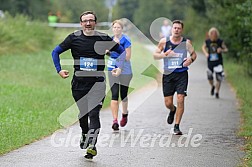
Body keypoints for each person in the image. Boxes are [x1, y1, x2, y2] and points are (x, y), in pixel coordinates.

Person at [51, 11, 125, 159]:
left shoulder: (103, 38)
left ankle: (92, 145)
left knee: (94, 114)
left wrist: (119, 66)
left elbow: (121, 51)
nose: (88, 23)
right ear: (81, 23)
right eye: (85, 21)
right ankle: (85, 133)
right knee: (83, 115)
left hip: (97, 83)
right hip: (78, 84)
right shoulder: (73, 38)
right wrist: (59, 70)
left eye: (91, 20)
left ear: (95, 22)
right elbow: (55, 52)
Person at [153, 20, 197, 135]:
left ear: (181, 30)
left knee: (180, 98)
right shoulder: (164, 42)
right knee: (168, 103)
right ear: (171, 29)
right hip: (168, 75)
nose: (176, 30)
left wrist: (190, 60)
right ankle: (173, 110)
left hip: (182, 74)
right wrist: (165, 54)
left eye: (179, 28)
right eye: (175, 28)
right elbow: (155, 55)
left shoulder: (186, 43)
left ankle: (176, 126)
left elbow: (194, 54)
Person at [107, 20, 133, 131]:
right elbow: (108, 53)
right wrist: (108, 50)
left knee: (123, 95)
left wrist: (117, 46)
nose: (116, 29)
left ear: (122, 29)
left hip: (125, 70)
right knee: (114, 94)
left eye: (118, 27)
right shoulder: (110, 39)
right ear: (112, 29)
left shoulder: (126, 40)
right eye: (115, 27)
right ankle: (115, 121)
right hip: (112, 68)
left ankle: (125, 114)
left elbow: (127, 57)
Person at [202, 27, 228, 99]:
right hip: (210, 62)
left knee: (218, 78)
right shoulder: (207, 41)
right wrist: (206, 53)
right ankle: (212, 86)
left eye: (215, 34)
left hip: (218, 62)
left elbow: (226, 49)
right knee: (209, 77)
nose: (214, 36)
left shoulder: (220, 41)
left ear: (217, 35)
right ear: (210, 35)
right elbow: (203, 47)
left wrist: (222, 50)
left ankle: (217, 92)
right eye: (212, 34)